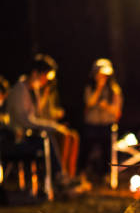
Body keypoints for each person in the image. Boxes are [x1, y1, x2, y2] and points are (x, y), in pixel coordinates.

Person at [6, 54, 79, 184]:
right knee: (49, 137)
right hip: (19, 138)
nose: (46, 80)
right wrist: (53, 126)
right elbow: (26, 121)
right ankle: (59, 176)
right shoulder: (20, 90)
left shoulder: (33, 90)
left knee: (69, 136)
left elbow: (39, 116)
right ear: (35, 73)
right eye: (45, 75)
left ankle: (66, 175)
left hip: (31, 134)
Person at [82, 58, 123, 182]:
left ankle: (107, 175)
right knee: (87, 149)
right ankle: (83, 174)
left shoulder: (114, 90)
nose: (102, 78)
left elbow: (117, 111)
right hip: (92, 124)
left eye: (104, 75)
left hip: (107, 125)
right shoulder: (90, 88)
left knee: (107, 151)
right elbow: (89, 103)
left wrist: (106, 106)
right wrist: (98, 89)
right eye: (99, 75)